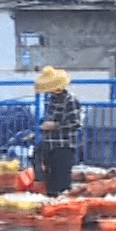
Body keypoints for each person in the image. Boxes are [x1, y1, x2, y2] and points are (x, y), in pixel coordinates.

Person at [33, 66, 81, 196]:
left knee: (62, 180)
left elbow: (75, 123)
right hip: (49, 143)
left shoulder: (70, 100)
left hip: (64, 145)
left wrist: (54, 125)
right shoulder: (51, 100)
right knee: (49, 178)